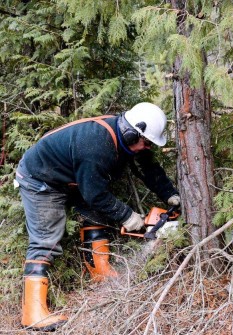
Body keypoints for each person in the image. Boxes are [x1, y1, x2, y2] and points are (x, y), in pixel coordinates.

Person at [15, 102, 180, 331]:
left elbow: (148, 169)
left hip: (73, 177)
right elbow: (95, 195)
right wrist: (129, 217)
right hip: (41, 180)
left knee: (97, 216)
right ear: (132, 133)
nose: (147, 147)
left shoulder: (129, 137)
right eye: (146, 143)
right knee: (46, 239)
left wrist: (171, 195)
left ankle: (100, 273)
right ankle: (32, 313)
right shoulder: (96, 145)